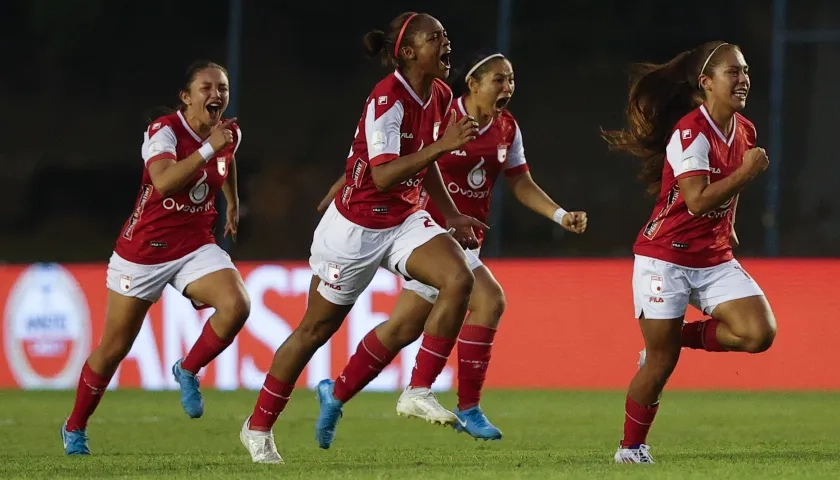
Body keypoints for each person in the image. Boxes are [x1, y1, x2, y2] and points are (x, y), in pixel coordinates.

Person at [238, 12, 486, 465]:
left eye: (446, 36)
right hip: (355, 230)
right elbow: (385, 172)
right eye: (436, 38)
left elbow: (423, 162)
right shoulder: (387, 99)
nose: (446, 43)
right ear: (408, 51)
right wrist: (443, 145)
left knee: (458, 278)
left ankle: (418, 390)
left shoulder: (441, 93)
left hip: (404, 219)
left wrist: (450, 213)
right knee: (315, 330)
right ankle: (258, 426)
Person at [312, 49, 588, 449]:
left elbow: (521, 183)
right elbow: (391, 156)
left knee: (402, 329)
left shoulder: (507, 128)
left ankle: (334, 394)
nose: (508, 86)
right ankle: (456, 402)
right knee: (489, 299)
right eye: (498, 78)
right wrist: (346, 184)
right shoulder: (442, 111)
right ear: (472, 84)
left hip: (459, 238)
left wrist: (560, 215)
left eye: (511, 79)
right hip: (420, 232)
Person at [60, 61, 250, 456]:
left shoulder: (226, 133)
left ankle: (188, 369)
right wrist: (209, 148)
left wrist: (231, 201)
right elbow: (163, 181)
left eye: (223, 87)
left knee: (237, 305)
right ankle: (75, 426)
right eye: (206, 87)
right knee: (113, 349)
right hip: (144, 252)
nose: (217, 94)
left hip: (195, 243)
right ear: (186, 97)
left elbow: (226, 159)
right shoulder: (163, 131)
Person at [601, 41, 777, 464]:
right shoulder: (689, 133)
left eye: (746, 71)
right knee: (659, 366)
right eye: (733, 72)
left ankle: (676, 335)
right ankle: (630, 449)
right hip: (666, 256)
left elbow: (722, 193)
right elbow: (696, 200)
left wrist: (729, 225)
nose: (743, 79)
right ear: (707, 83)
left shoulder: (744, 130)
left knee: (759, 333)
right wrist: (748, 172)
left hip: (712, 257)